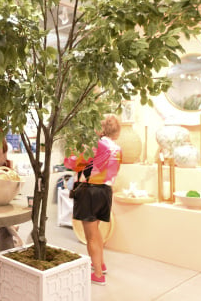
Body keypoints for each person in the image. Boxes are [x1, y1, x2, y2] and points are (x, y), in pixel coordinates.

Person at [64, 114, 122, 286]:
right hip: (105, 191)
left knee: (91, 235)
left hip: (89, 191)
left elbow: (72, 163)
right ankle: (101, 264)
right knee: (96, 231)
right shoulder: (117, 148)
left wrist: (72, 150)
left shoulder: (93, 146)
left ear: (100, 127)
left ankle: (97, 274)